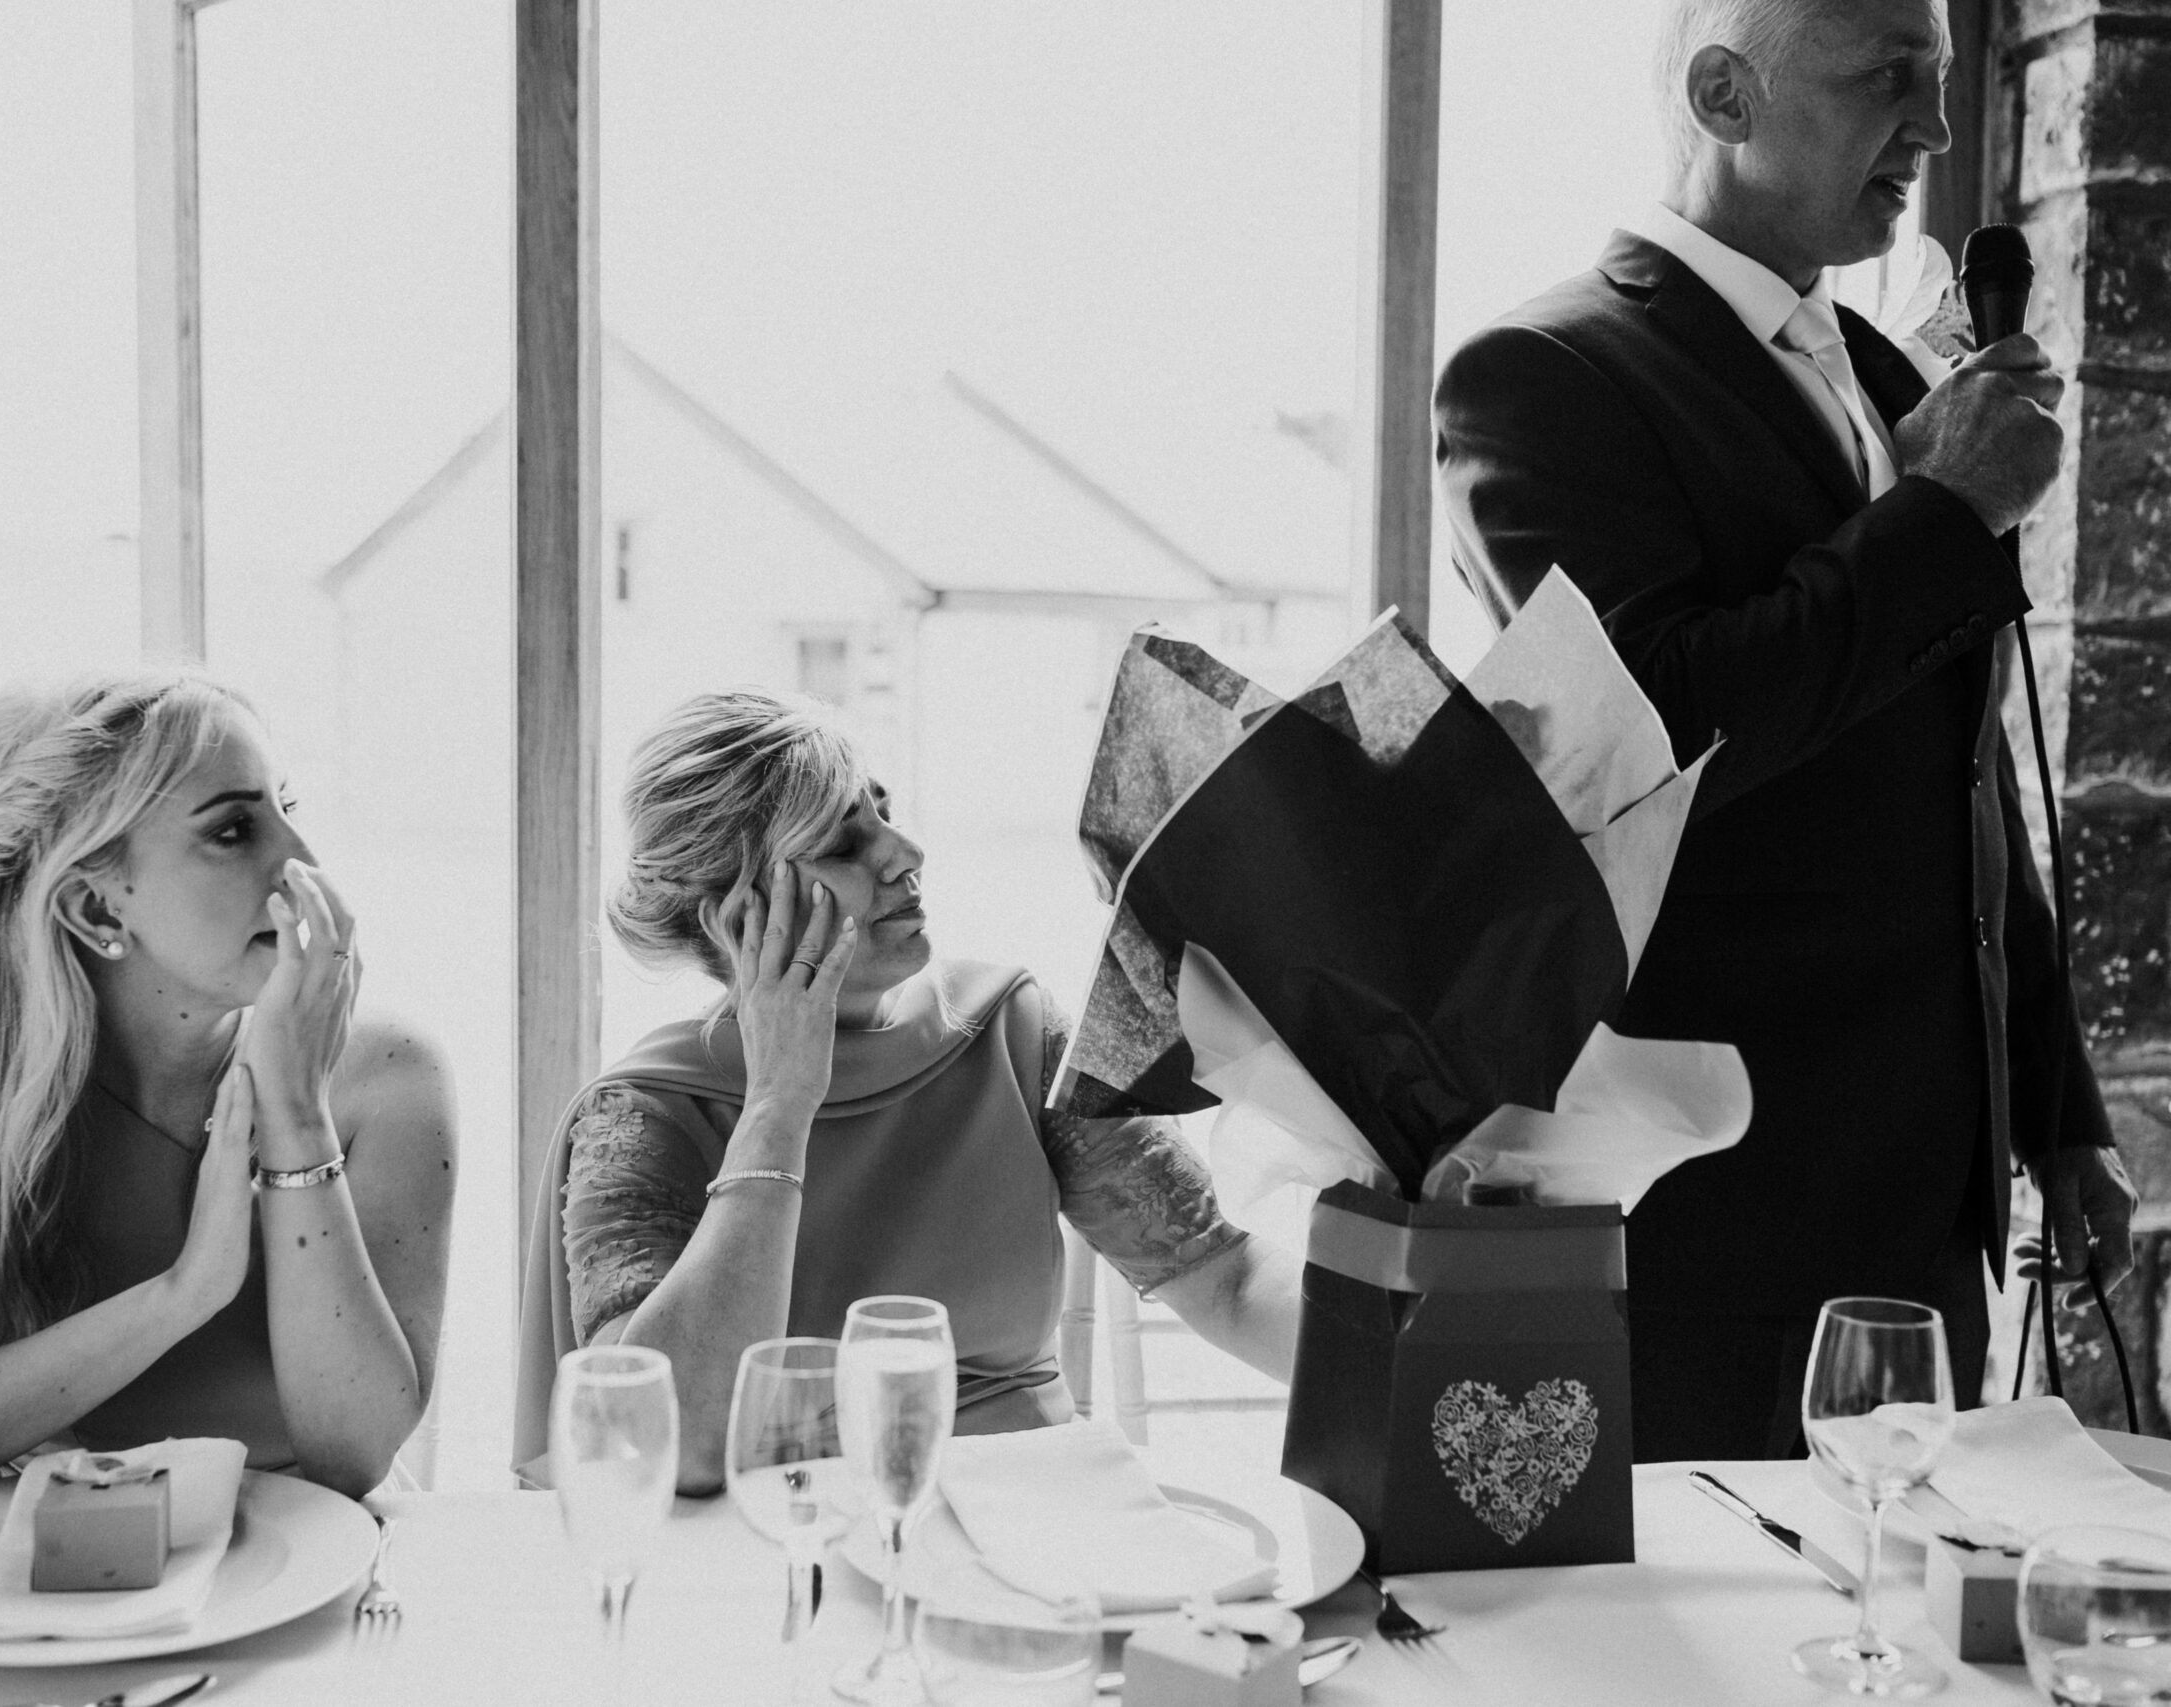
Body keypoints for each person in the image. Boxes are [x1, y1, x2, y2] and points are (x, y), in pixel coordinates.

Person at [1433, 0, 2133, 1458]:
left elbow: (1969, 781)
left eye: (1943, 85)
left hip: (1926, 1214)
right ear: (1724, 95)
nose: (1935, 131)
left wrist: (2057, 1109)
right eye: (1892, 80)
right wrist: (1939, 514)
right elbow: (1663, 735)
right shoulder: (1538, 379)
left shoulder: (1887, 381)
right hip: (1717, 1223)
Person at [513, 689, 1305, 1492]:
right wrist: (779, 1105)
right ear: (732, 915)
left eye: (883, 812)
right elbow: (669, 1443)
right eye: (841, 842)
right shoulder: (644, 1116)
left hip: (1036, 1529)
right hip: (777, 1557)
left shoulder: (1011, 1030)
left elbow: (1230, 1281)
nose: (904, 851)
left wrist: (1421, 1383)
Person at [0, 672, 458, 1520]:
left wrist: (298, 1112)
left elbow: (353, 1451)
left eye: (284, 807)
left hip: (313, 1563)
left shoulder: (392, 1076)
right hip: (54, 1557)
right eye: (233, 830)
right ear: (92, 906)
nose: (302, 862)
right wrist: (182, 1293)